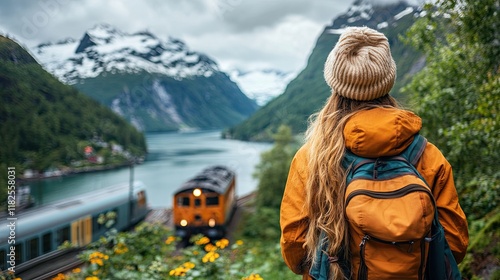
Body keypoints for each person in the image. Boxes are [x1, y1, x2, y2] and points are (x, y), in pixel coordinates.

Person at [279, 26, 469, 280]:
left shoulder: (311, 158)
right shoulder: (428, 155)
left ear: (335, 83)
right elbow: (454, 243)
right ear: (388, 80)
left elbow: (295, 247)